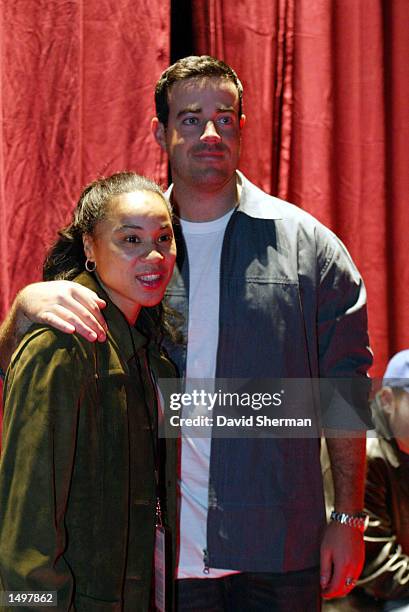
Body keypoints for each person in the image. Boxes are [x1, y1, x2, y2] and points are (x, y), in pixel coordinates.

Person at [0, 56, 373, 611]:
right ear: (161, 130)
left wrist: (347, 518)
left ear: (242, 127)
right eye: (191, 118)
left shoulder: (309, 247)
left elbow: (344, 395)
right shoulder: (128, 245)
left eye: (224, 117)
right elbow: (37, 378)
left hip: (279, 553)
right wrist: (24, 307)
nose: (210, 132)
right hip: (154, 559)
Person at [0, 172, 177, 611]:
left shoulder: (147, 352)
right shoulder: (61, 346)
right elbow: (26, 534)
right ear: (89, 248)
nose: (154, 255)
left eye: (164, 237)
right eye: (131, 240)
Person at [357, 350, 409, 611]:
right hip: (364, 601)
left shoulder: (401, 440)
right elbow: (373, 562)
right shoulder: (366, 451)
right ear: (388, 400)